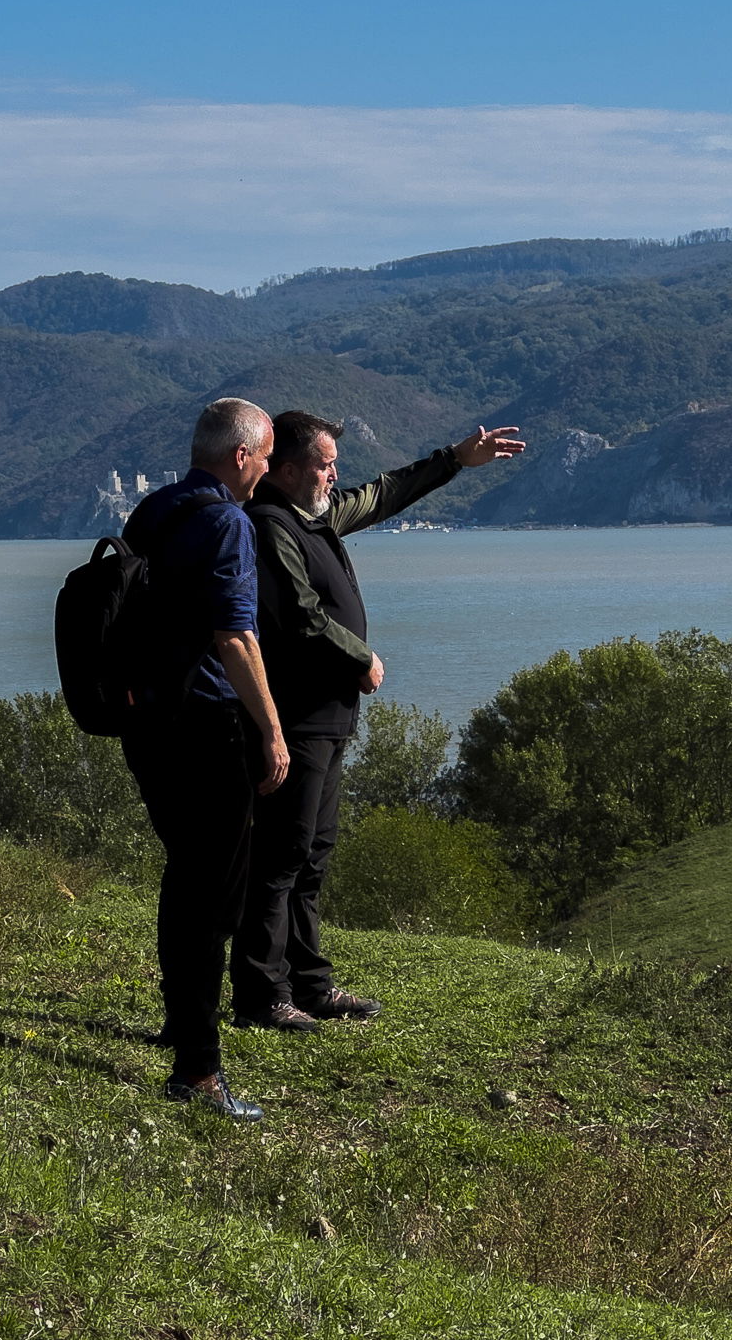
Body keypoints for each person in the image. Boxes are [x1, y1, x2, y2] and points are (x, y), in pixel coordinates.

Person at [232, 412, 526, 1031]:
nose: (335, 474)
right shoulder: (270, 524)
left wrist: (453, 460)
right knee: (281, 857)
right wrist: (360, 655)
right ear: (285, 470)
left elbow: (383, 494)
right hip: (297, 717)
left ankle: (310, 985)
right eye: (323, 463)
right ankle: (262, 995)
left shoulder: (314, 515)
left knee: (313, 854)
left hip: (329, 716)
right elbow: (300, 615)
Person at [118, 397, 293, 1121]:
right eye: (268, 455)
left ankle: (179, 1026)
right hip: (204, 726)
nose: (273, 468)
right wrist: (274, 730)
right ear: (242, 456)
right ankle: (197, 1070)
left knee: (185, 879)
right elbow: (235, 639)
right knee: (214, 897)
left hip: (148, 721)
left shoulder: (154, 511)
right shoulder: (226, 520)